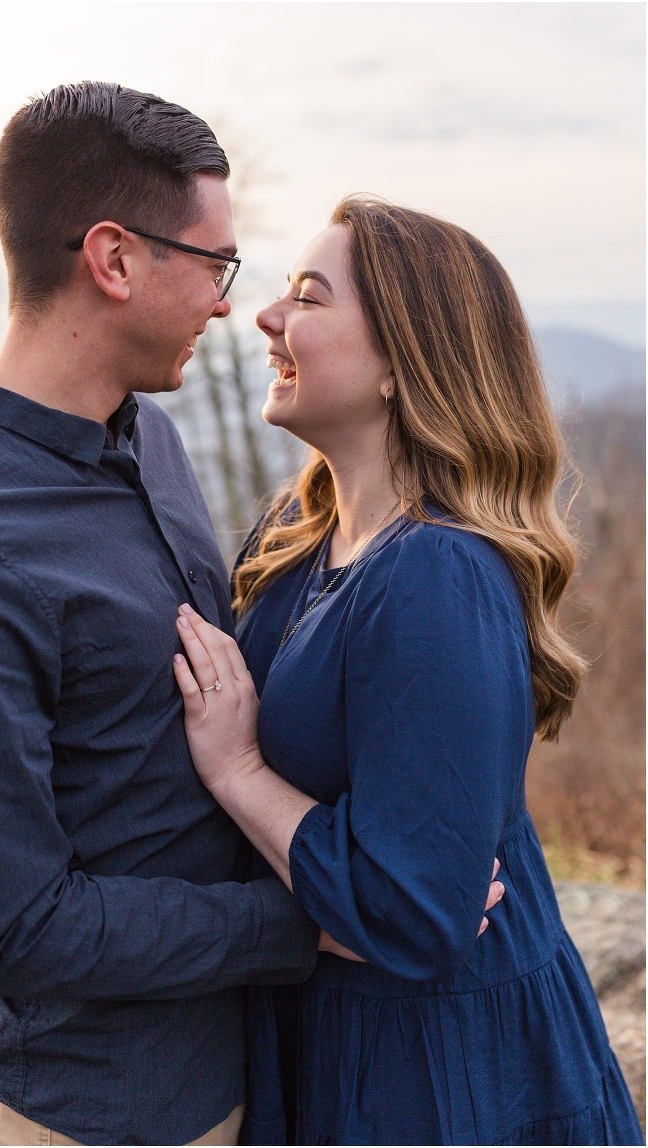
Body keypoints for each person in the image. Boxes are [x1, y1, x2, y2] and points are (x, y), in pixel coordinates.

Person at [0, 85, 502, 1146]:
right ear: (115, 260)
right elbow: (16, 929)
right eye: (216, 265)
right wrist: (314, 917)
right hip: (90, 1110)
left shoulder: (150, 441)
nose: (229, 306)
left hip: (242, 1067)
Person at [171, 196, 645, 1146]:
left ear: (402, 362)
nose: (266, 316)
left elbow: (417, 916)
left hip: (441, 1075)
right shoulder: (295, 538)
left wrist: (239, 772)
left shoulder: (437, 572)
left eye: (308, 297)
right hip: (325, 1034)